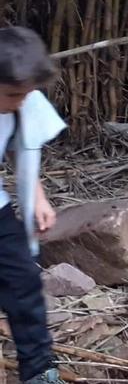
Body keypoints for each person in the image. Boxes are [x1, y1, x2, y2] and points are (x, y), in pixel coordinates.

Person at [0, 26, 66, 384]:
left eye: (26, 94)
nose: (21, 101)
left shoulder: (20, 103)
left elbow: (20, 150)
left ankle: (39, 369)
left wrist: (37, 197)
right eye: (13, 94)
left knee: (23, 280)